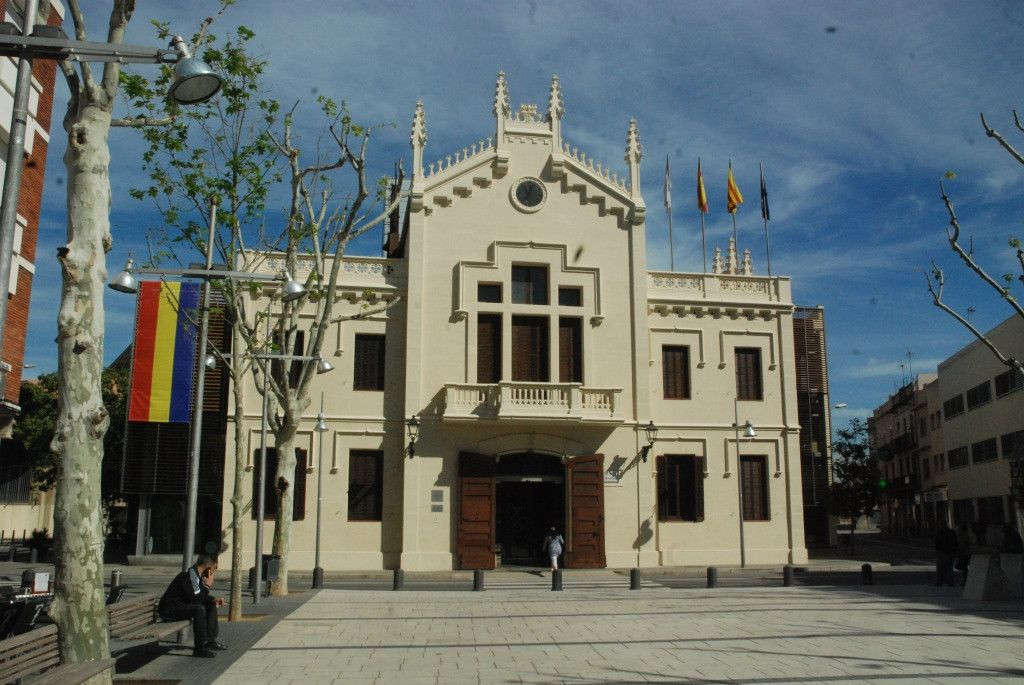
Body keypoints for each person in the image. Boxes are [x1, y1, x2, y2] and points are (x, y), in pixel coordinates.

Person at [158, 554, 226, 658]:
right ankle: (199, 648)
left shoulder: (196, 574)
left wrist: (212, 600)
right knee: (199, 610)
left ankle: (210, 641)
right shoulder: (190, 576)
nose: (213, 573)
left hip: (179, 606)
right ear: (208, 568)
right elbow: (197, 600)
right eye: (214, 569)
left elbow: (196, 596)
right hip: (168, 610)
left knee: (210, 602)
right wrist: (207, 586)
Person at [934, 522, 958, 587]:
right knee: (950, 568)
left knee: (940, 568)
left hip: (942, 552)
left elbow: (936, 543)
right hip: (950, 552)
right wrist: (955, 551)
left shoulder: (939, 532)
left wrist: (938, 550)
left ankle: (940, 582)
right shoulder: (952, 532)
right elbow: (955, 542)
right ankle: (950, 582)